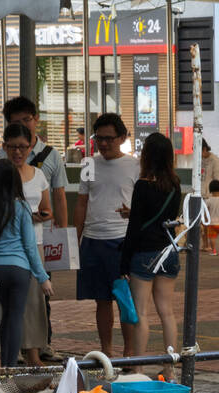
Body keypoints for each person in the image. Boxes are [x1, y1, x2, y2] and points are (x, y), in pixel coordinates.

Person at [0, 122, 51, 368]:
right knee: (15, 317)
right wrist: (43, 277)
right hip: (21, 267)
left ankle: (6, 360)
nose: (18, 151)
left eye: (23, 146)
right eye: (13, 146)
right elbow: (30, 246)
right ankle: (10, 364)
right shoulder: (21, 207)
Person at [75, 113, 139, 357]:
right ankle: (106, 352)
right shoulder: (89, 163)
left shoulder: (134, 165)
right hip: (93, 239)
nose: (103, 144)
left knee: (125, 301)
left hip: (122, 242)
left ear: (122, 138)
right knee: (101, 301)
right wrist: (76, 239)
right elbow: (81, 203)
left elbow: (141, 205)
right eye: (98, 138)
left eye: (109, 139)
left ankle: (129, 353)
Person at [120, 132, 183, 356]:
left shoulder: (143, 185)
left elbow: (135, 228)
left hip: (145, 254)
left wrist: (124, 262)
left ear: (147, 156)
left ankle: (138, 365)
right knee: (167, 312)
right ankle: (171, 366)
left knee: (141, 314)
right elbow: (165, 217)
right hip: (168, 252)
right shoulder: (175, 185)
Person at [0, 96, 68, 228]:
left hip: (42, 230)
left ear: (36, 119)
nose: (23, 125)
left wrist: (62, 231)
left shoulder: (52, 155)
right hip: (9, 231)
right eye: (17, 122)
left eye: (27, 119)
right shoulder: (2, 156)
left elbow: (59, 197)